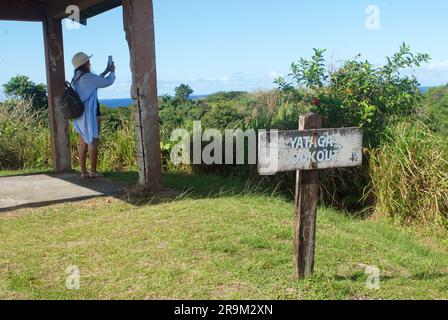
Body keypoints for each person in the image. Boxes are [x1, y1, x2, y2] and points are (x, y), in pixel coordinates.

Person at [71, 52, 116, 179]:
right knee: (92, 141)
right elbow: (107, 82)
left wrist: (106, 70)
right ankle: (93, 171)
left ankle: (83, 172)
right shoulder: (88, 77)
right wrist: (112, 72)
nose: (90, 63)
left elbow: (96, 82)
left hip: (79, 115)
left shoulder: (76, 78)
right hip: (90, 114)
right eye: (88, 61)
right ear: (84, 64)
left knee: (83, 143)